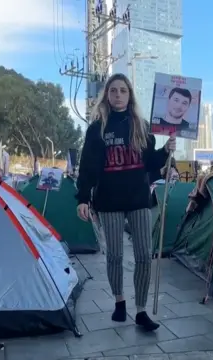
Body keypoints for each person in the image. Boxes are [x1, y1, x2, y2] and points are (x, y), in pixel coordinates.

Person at [75, 73, 176, 332]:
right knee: (115, 256)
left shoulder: (142, 126)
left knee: (144, 255)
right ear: (107, 96)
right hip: (109, 200)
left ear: (130, 95)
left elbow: (151, 164)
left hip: (140, 199)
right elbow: (87, 167)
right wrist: (83, 198)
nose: (118, 94)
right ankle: (119, 300)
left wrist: (165, 151)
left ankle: (141, 310)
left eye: (123, 90)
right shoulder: (97, 129)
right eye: (113, 90)